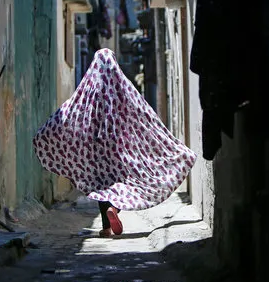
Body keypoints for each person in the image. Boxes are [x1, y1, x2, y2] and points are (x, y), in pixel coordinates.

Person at [33, 49, 197, 237]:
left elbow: (71, 111)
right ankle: (116, 208)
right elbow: (141, 112)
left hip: (95, 147)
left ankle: (106, 227)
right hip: (118, 147)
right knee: (120, 181)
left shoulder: (88, 88)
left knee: (101, 184)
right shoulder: (122, 86)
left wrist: (46, 133)